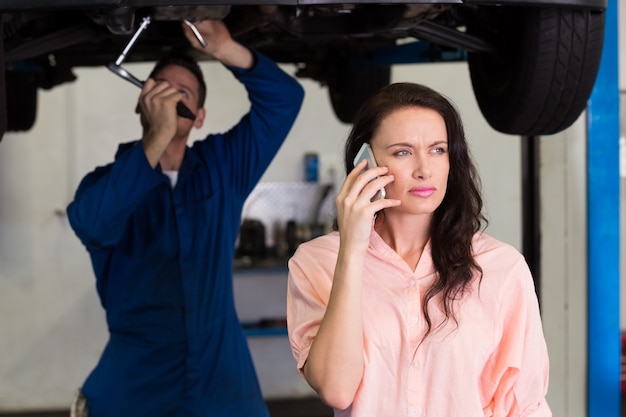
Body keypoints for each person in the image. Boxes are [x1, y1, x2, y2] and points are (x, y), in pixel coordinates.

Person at [67, 19, 304, 417]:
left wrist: (226, 48)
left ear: (198, 117)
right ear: (142, 102)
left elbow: (284, 100)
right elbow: (90, 224)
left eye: (184, 93)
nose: (172, 96)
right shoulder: (106, 183)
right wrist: (155, 140)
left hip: (221, 373)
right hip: (138, 378)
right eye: (161, 89)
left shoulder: (222, 167)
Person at [286, 82, 551, 417]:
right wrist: (352, 249)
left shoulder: (501, 267)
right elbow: (337, 390)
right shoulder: (317, 261)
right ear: (364, 163)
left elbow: (523, 403)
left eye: (438, 150)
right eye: (403, 152)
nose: (425, 169)